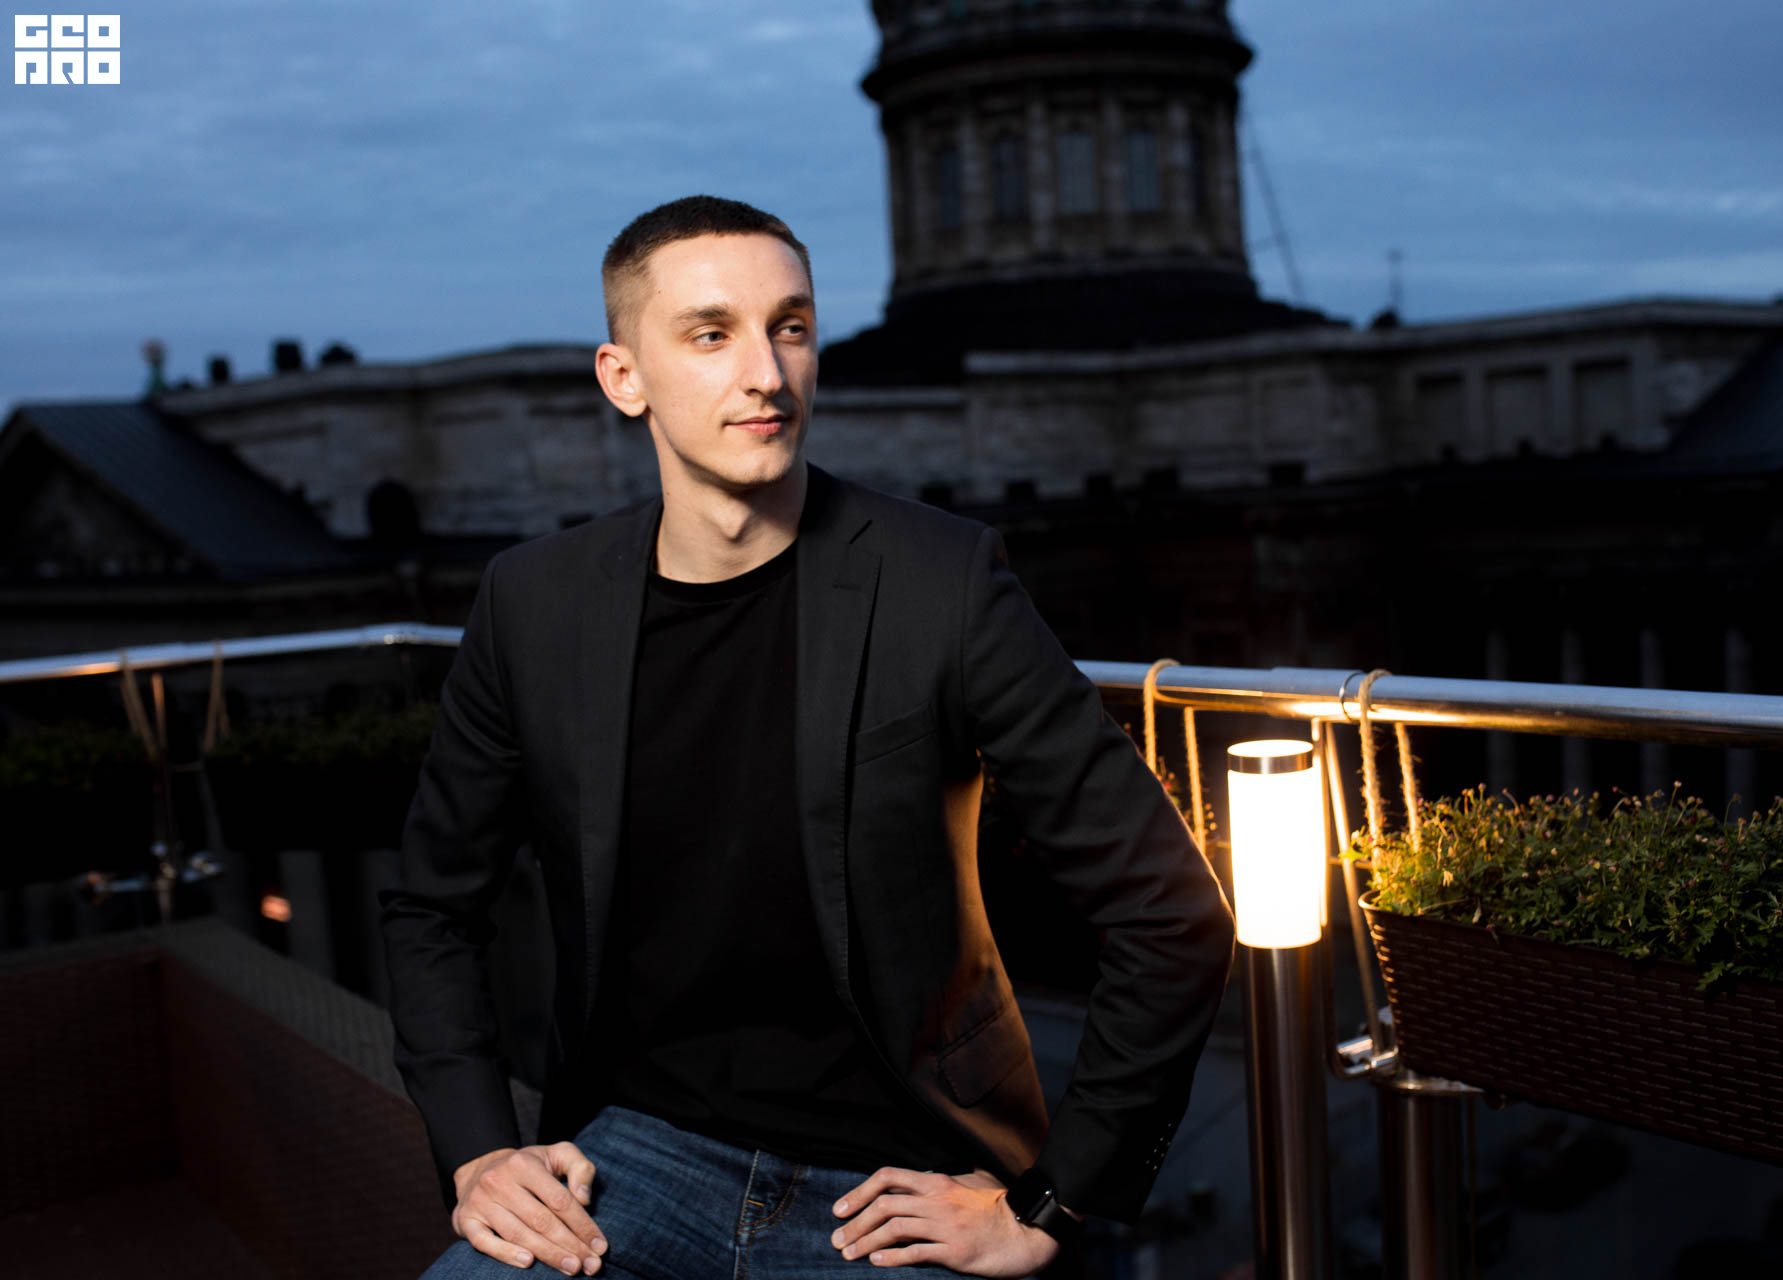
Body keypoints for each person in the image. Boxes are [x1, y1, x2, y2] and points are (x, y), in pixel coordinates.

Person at [379, 195, 1235, 1280]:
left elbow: (1170, 906)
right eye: (711, 334)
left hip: (899, 1181)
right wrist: (479, 1150)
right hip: (626, 1160)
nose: (767, 373)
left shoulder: (941, 582)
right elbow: (431, 906)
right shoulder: (533, 602)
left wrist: (1052, 1198)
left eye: (790, 327)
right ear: (623, 377)